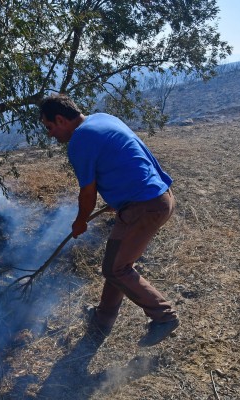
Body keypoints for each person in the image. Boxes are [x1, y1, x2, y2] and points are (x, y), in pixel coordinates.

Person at [39, 94, 179, 346]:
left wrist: (80, 221)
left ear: (60, 119)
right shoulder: (103, 118)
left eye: (49, 127)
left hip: (144, 205)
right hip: (158, 197)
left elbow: (88, 193)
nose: (50, 134)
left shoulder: (80, 140)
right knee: (115, 263)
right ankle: (102, 321)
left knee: (117, 268)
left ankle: (164, 316)